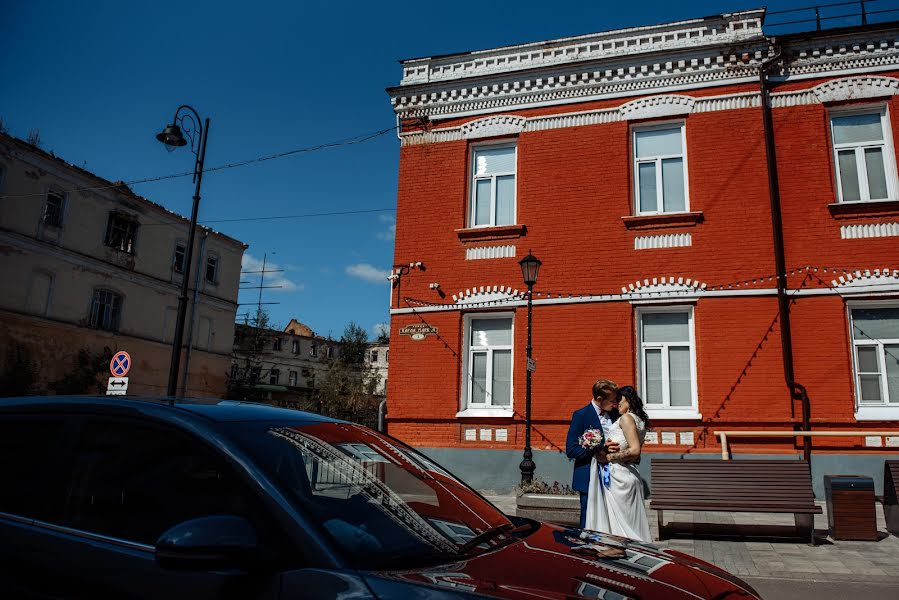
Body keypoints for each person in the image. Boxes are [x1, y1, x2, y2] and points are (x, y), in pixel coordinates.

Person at [565, 379, 620, 529]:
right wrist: (599, 449)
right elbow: (570, 449)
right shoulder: (581, 415)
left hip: (614, 475)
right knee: (589, 520)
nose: (615, 403)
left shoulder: (616, 415)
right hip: (589, 475)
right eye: (612, 400)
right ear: (599, 399)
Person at [601, 385, 652, 542]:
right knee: (630, 525)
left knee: (622, 529)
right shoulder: (639, 420)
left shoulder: (626, 418)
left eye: (619, 399)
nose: (617, 403)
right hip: (628, 472)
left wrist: (608, 457)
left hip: (619, 476)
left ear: (629, 399)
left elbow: (635, 450)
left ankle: (621, 555)